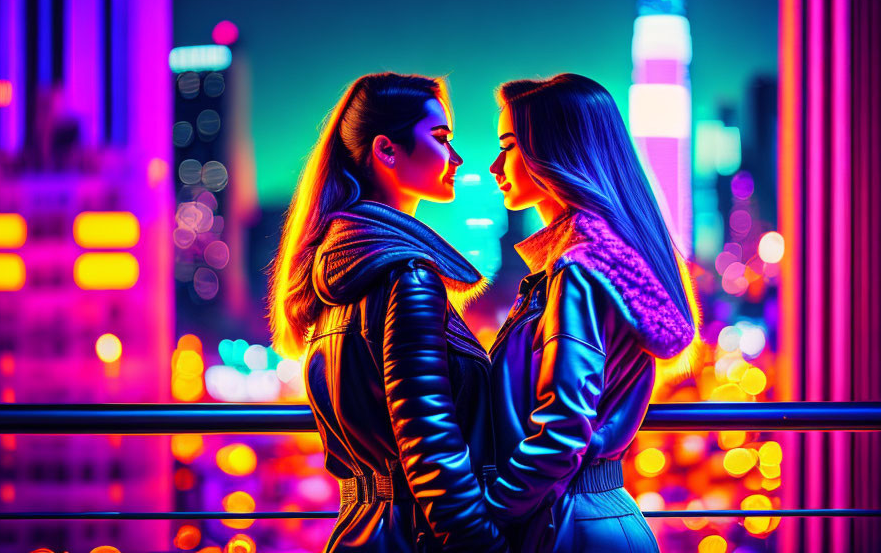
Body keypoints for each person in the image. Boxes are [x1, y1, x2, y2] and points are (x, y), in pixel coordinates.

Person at [268, 73, 505, 552]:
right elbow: (429, 442)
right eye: (440, 139)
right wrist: (484, 544)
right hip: (418, 536)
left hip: (360, 528)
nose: (455, 158)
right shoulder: (408, 276)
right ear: (387, 150)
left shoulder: (335, 270)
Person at [485, 73, 696, 552]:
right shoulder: (604, 258)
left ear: (554, 152)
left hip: (571, 526)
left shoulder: (578, 269)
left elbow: (563, 427)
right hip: (597, 515)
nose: (497, 165)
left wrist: (484, 515)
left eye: (510, 146)